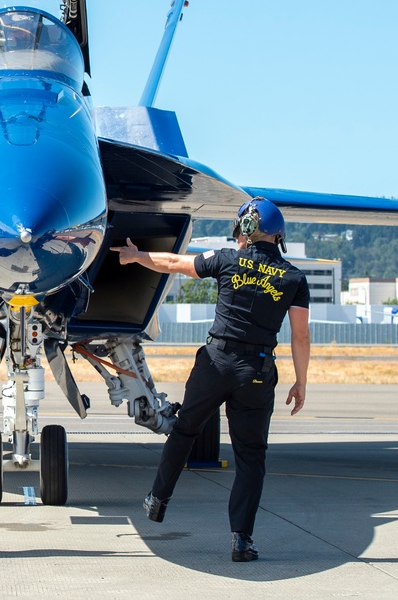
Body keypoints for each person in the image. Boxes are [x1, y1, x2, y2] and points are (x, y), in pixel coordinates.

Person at [111, 196, 310, 562]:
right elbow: (301, 336)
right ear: (278, 237)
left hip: (215, 364)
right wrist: (301, 381)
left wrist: (136, 256)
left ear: (247, 230)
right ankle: (241, 541)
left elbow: (173, 263)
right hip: (257, 371)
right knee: (251, 457)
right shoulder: (294, 279)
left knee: (185, 430)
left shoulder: (227, 259)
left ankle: (157, 499)